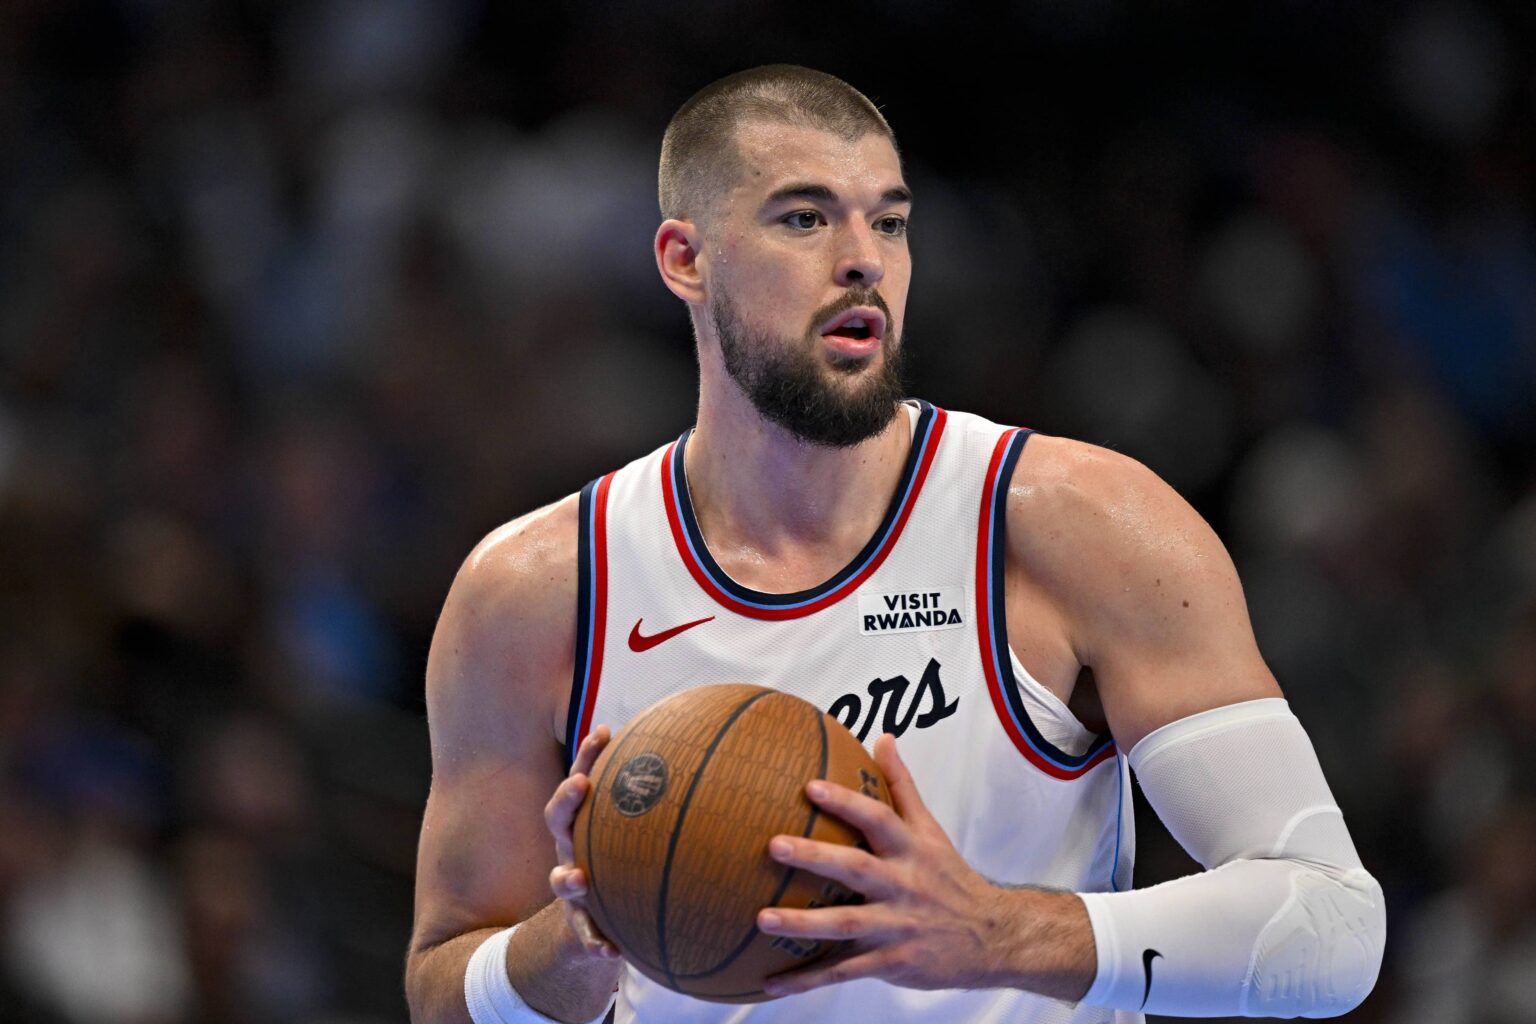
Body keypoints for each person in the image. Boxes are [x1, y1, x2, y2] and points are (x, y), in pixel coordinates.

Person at [404, 65, 1385, 1024]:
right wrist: (576, 940)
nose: (863, 256)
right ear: (684, 259)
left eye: (889, 220)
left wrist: (997, 932)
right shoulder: (537, 590)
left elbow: (1334, 924)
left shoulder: (1074, 525)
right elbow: (440, 986)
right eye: (804, 217)